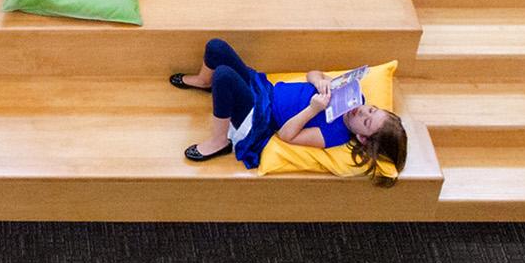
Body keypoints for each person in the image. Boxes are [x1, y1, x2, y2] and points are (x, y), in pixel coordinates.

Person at [170, 38, 407, 181]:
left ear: (362, 138)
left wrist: (313, 110)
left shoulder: (334, 134)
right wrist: (319, 81)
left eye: (366, 121)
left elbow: (286, 135)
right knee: (216, 47)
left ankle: (219, 141)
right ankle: (204, 81)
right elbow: (312, 74)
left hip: (259, 116)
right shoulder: (354, 97)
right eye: (371, 110)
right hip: (265, 89)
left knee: (224, 76)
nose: (363, 112)